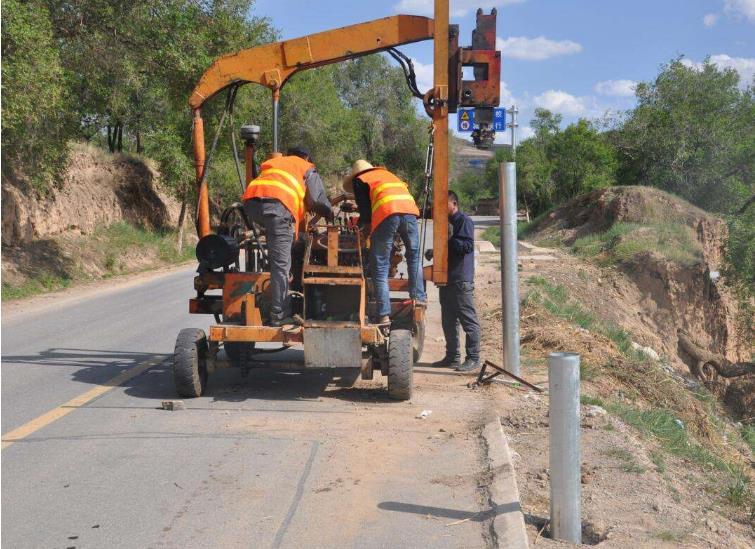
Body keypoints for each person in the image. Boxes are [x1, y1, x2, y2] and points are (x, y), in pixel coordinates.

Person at [243, 146, 333, 326]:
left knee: (277, 248)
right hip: (276, 208)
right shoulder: (306, 166)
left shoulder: (276, 162)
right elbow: (316, 199)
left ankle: (272, 300)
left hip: (251, 204)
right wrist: (329, 212)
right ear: (306, 157)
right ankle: (279, 314)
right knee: (281, 265)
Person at [343, 159, 427, 325]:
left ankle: (384, 315)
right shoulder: (387, 176)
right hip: (409, 211)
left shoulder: (360, 180)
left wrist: (362, 233)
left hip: (388, 213)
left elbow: (367, 216)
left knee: (380, 265)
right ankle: (419, 299)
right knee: (414, 256)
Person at [432, 190, 481, 372]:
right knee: (448, 321)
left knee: (468, 321)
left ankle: (473, 358)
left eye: (443, 204)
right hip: (447, 280)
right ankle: (452, 357)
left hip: (460, 280)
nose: (439, 208)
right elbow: (449, 248)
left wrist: (449, 239)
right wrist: (435, 251)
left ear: (454, 203)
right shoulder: (448, 223)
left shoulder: (464, 221)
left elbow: (466, 247)